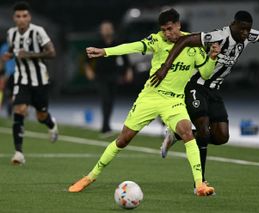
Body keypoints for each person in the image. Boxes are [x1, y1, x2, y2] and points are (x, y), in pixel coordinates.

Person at [68, 8, 221, 196]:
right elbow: (132, 46)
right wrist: (105, 52)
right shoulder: (157, 40)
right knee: (123, 140)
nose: (167, 33)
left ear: (179, 25)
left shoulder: (192, 43)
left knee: (187, 132)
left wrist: (212, 57)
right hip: (150, 97)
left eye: (170, 29)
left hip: (174, 101)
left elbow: (205, 73)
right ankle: (90, 176)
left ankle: (199, 185)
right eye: (164, 30)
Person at [156, 11, 259, 185]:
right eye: (242, 29)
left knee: (221, 137)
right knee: (203, 128)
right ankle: (200, 182)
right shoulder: (218, 36)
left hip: (214, 90)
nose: (245, 33)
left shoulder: (248, 36)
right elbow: (185, 40)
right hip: (196, 85)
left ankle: (177, 135)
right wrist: (166, 67)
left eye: (248, 29)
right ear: (234, 24)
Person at [2, 1, 59, 165]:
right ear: (14, 18)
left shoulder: (38, 32)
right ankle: (18, 152)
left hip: (39, 79)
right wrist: (8, 55)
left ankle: (51, 123)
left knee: (41, 116)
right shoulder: (11, 33)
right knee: (19, 110)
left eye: (24, 16)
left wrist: (30, 55)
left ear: (29, 17)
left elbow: (52, 53)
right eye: (18, 16)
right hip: (21, 79)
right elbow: (14, 50)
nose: (21, 19)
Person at [85, 21, 133, 136]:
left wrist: (128, 71)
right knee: (105, 99)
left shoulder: (117, 43)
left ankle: (106, 125)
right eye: (104, 28)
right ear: (101, 31)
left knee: (110, 101)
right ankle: (105, 127)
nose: (106, 30)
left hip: (114, 75)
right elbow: (87, 60)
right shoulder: (97, 43)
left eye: (108, 28)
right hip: (101, 76)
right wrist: (89, 71)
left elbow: (125, 59)